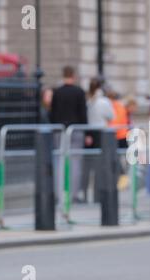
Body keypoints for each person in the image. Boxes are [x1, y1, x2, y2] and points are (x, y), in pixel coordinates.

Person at [50, 66, 87, 203]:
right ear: (73, 75)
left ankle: (59, 194)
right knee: (75, 163)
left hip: (60, 130)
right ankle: (74, 195)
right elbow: (83, 114)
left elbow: (52, 113)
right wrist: (86, 131)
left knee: (59, 162)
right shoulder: (79, 92)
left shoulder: (57, 92)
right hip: (76, 129)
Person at [82, 78, 115, 202]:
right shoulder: (104, 101)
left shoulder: (88, 101)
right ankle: (98, 195)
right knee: (100, 166)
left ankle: (85, 194)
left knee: (87, 166)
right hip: (102, 134)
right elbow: (111, 116)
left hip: (89, 134)